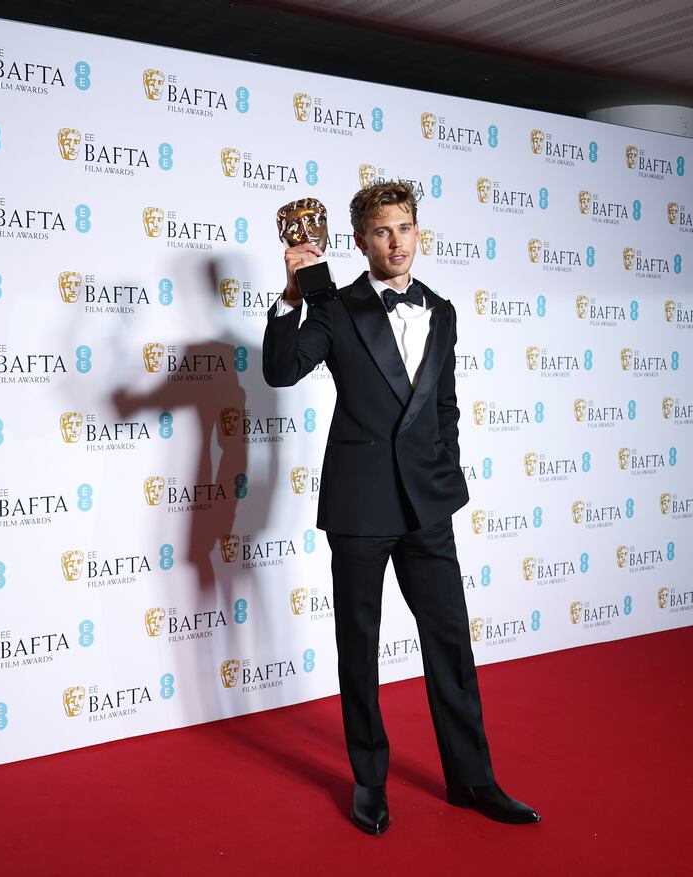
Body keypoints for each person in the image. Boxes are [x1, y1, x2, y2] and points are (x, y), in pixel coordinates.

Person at [262, 180, 539, 835]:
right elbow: (280, 371)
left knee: (450, 642)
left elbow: (444, 407)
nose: (396, 242)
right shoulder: (335, 305)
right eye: (382, 231)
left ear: (419, 232)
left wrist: (446, 476)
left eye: (405, 228)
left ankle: (473, 778)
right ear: (360, 240)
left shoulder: (441, 309)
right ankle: (370, 781)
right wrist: (290, 300)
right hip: (359, 505)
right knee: (358, 648)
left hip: (426, 507)